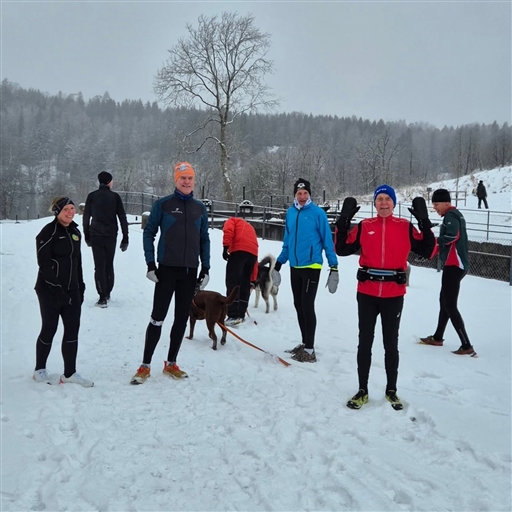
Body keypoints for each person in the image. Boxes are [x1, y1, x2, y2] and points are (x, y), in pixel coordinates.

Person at [336, 185, 435, 410]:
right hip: (367, 293)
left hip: (393, 295)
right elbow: (341, 248)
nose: (383, 202)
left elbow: (428, 251)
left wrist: (424, 222)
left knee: (391, 343)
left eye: (387, 199)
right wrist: (343, 222)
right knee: (365, 342)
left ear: (393, 204)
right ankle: (362, 390)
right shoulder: (365, 226)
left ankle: (392, 390)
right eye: (379, 199)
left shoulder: (405, 227)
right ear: (374, 203)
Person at [131, 162, 210, 384]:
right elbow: (149, 233)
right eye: (182, 178)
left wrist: (206, 268)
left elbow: (204, 238)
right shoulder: (163, 205)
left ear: (194, 181)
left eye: (190, 178)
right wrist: (150, 264)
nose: (186, 182)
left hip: (189, 271)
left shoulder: (199, 208)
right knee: (157, 318)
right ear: (176, 180)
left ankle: (171, 363)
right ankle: (145, 365)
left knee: (181, 318)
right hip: (166, 270)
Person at [274, 178, 339, 363]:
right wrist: (279, 263)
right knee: (298, 305)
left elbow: (327, 241)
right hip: (295, 266)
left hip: (312, 265)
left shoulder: (318, 213)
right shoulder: (291, 213)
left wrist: (334, 267)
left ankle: (310, 350)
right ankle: (305, 344)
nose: (302, 197)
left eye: (305, 193)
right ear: (295, 195)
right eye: (299, 193)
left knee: (307, 305)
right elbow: (287, 241)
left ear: (309, 194)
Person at [33, 196, 94, 387]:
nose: (70, 212)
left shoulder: (75, 232)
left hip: (72, 290)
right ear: (57, 211)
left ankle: (69, 373)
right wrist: (56, 288)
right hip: (49, 290)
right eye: (66, 209)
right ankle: (39, 369)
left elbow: (78, 261)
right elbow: (44, 264)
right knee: (49, 328)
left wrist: (81, 285)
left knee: (72, 330)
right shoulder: (48, 232)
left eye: (72, 208)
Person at [420, 188, 476, 357]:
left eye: (436, 204)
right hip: (455, 265)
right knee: (444, 300)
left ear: (446, 202)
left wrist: (435, 242)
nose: (435, 208)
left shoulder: (451, 216)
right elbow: (448, 242)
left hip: (455, 265)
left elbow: (452, 236)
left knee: (450, 305)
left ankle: (466, 345)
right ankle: (438, 337)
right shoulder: (453, 216)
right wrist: (432, 250)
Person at [83, 171, 129, 308]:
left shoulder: (92, 196)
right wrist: (125, 237)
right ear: (109, 181)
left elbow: (86, 217)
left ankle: (102, 296)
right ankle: (107, 292)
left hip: (96, 234)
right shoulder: (115, 197)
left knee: (99, 266)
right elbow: (122, 217)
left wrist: (86, 235)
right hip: (111, 235)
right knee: (109, 264)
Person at [222, 217, 259, 326]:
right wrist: (253, 279)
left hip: (238, 250)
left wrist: (225, 247)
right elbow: (255, 256)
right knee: (245, 283)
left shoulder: (231, 220)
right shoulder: (250, 228)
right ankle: (241, 314)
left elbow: (228, 230)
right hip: (252, 254)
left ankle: (233, 315)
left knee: (232, 281)